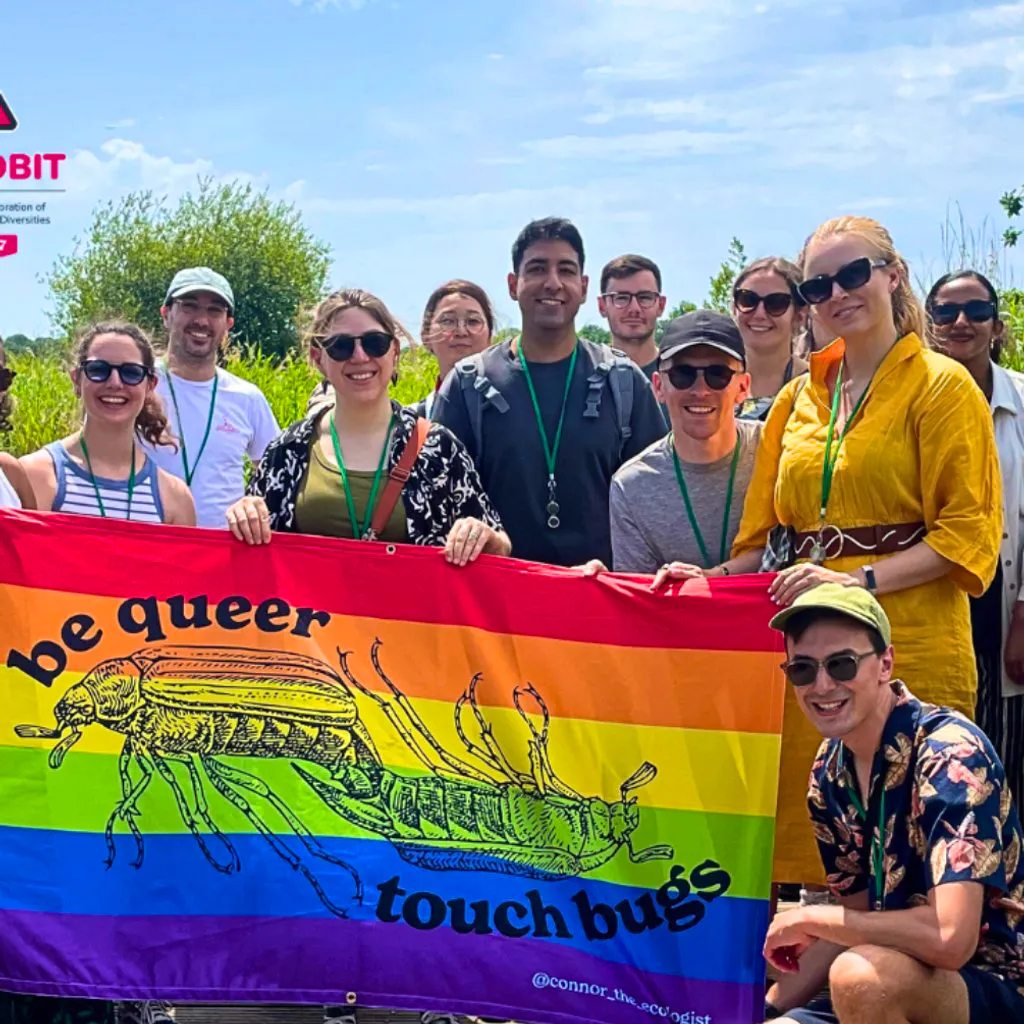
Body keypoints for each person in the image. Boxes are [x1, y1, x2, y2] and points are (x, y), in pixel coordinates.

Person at [724, 215, 1002, 887]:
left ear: (893, 275)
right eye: (818, 285)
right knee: (821, 841)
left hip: (911, 636)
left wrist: (859, 582)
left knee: (911, 847)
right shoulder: (795, 399)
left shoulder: (941, 386)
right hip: (810, 647)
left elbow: (967, 533)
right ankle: (816, 990)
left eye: (854, 274)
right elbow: (756, 544)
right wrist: (680, 583)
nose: (837, 294)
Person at [763, 583, 1024, 1024]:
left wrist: (820, 918)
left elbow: (949, 939)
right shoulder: (829, 771)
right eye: (803, 670)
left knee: (858, 974)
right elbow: (859, 910)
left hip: (988, 985)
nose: (822, 685)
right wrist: (765, 1009)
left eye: (842, 664)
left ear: (885, 663)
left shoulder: (949, 754)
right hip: (889, 981)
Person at [434, 217, 667, 567]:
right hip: (497, 608)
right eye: (538, 268)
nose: (553, 283)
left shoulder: (624, 383)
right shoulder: (468, 386)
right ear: (513, 284)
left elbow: (657, 505)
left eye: (567, 270)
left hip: (600, 601)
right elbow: (439, 506)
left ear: (585, 287)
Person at [226, 288, 510, 566]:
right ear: (318, 359)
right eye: (341, 346)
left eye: (375, 343)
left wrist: (484, 537)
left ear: (394, 351)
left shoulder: (439, 448)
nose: (360, 356)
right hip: (318, 614)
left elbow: (498, 545)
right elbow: (253, 559)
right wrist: (245, 516)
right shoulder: (288, 450)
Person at [928, 269, 1024, 805]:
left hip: (1005, 604)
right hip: (939, 601)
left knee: (1006, 756)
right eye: (946, 311)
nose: (961, 322)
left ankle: (1004, 883)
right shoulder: (910, 399)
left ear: (997, 323)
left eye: (976, 311)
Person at [585, 311, 759, 587]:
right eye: (682, 374)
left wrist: (715, 578)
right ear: (658, 386)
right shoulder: (631, 486)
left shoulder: (778, 448)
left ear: (743, 387)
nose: (700, 390)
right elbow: (641, 602)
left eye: (718, 374)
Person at [20, 322, 195, 526]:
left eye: (131, 372)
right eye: (98, 369)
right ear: (77, 380)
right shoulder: (35, 476)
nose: (114, 382)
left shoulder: (174, 498)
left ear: (150, 386)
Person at [146, 267, 279, 529]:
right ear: (166, 315)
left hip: (220, 557)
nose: (202, 321)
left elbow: (275, 478)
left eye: (215, 311)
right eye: (189, 307)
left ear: (228, 324)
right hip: (147, 549)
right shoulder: (134, 385)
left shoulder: (248, 397)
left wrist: (252, 503)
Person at [732, 257, 808, 421]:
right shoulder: (712, 380)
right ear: (734, 308)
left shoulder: (818, 385)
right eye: (748, 300)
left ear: (799, 315)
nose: (759, 314)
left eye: (776, 303)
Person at [415, 280, 495, 418]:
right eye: (448, 321)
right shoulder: (411, 423)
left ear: (490, 337)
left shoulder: (514, 406)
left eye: (473, 321)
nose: (461, 331)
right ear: (426, 336)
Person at [597, 254, 667, 379]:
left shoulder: (680, 377)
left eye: (645, 297)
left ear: (661, 305)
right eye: (621, 298)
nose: (634, 308)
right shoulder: (586, 375)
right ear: (602, 306)